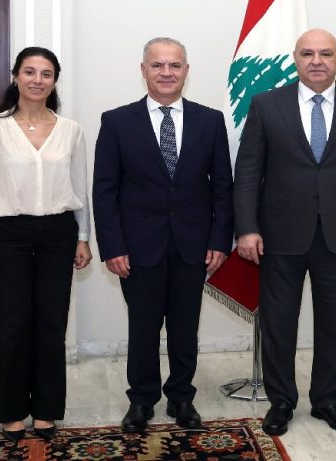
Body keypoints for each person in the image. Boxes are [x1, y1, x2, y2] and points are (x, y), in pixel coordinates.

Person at [233, 28, 336, 436]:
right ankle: (281, 401)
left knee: (335, 322)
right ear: (295, 58)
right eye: (307, 54)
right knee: (278, 323)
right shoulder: (266, 104)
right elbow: (248, 170)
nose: (316, 61)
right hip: (279, 234)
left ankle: (328, 400)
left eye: (325, 53)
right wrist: (247, 227)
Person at [92, 37, 233, 433]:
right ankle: (141, 400)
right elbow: (105, 190)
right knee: (143, 327)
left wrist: (220, 239)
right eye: (157, 65)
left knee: (185, 328)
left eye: (174, 65)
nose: (166, 72)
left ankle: (181, 397)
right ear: (144, 70)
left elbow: (223, 187)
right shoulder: (117, 121)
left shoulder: (210, 120)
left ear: (186, 71)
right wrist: (113, 246)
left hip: (194, 245)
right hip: (137, 248)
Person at [0, 47, 92, 442]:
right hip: (8, 234)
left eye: (46, 73)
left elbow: (80, 189)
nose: (38, 80)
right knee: (13, 324)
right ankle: (10, 411)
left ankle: (47, 411)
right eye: (30, 71)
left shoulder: (71, 130)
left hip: (58, 233)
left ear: (55, 81)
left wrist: (83, 237)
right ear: (16, 76)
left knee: (52, 324)